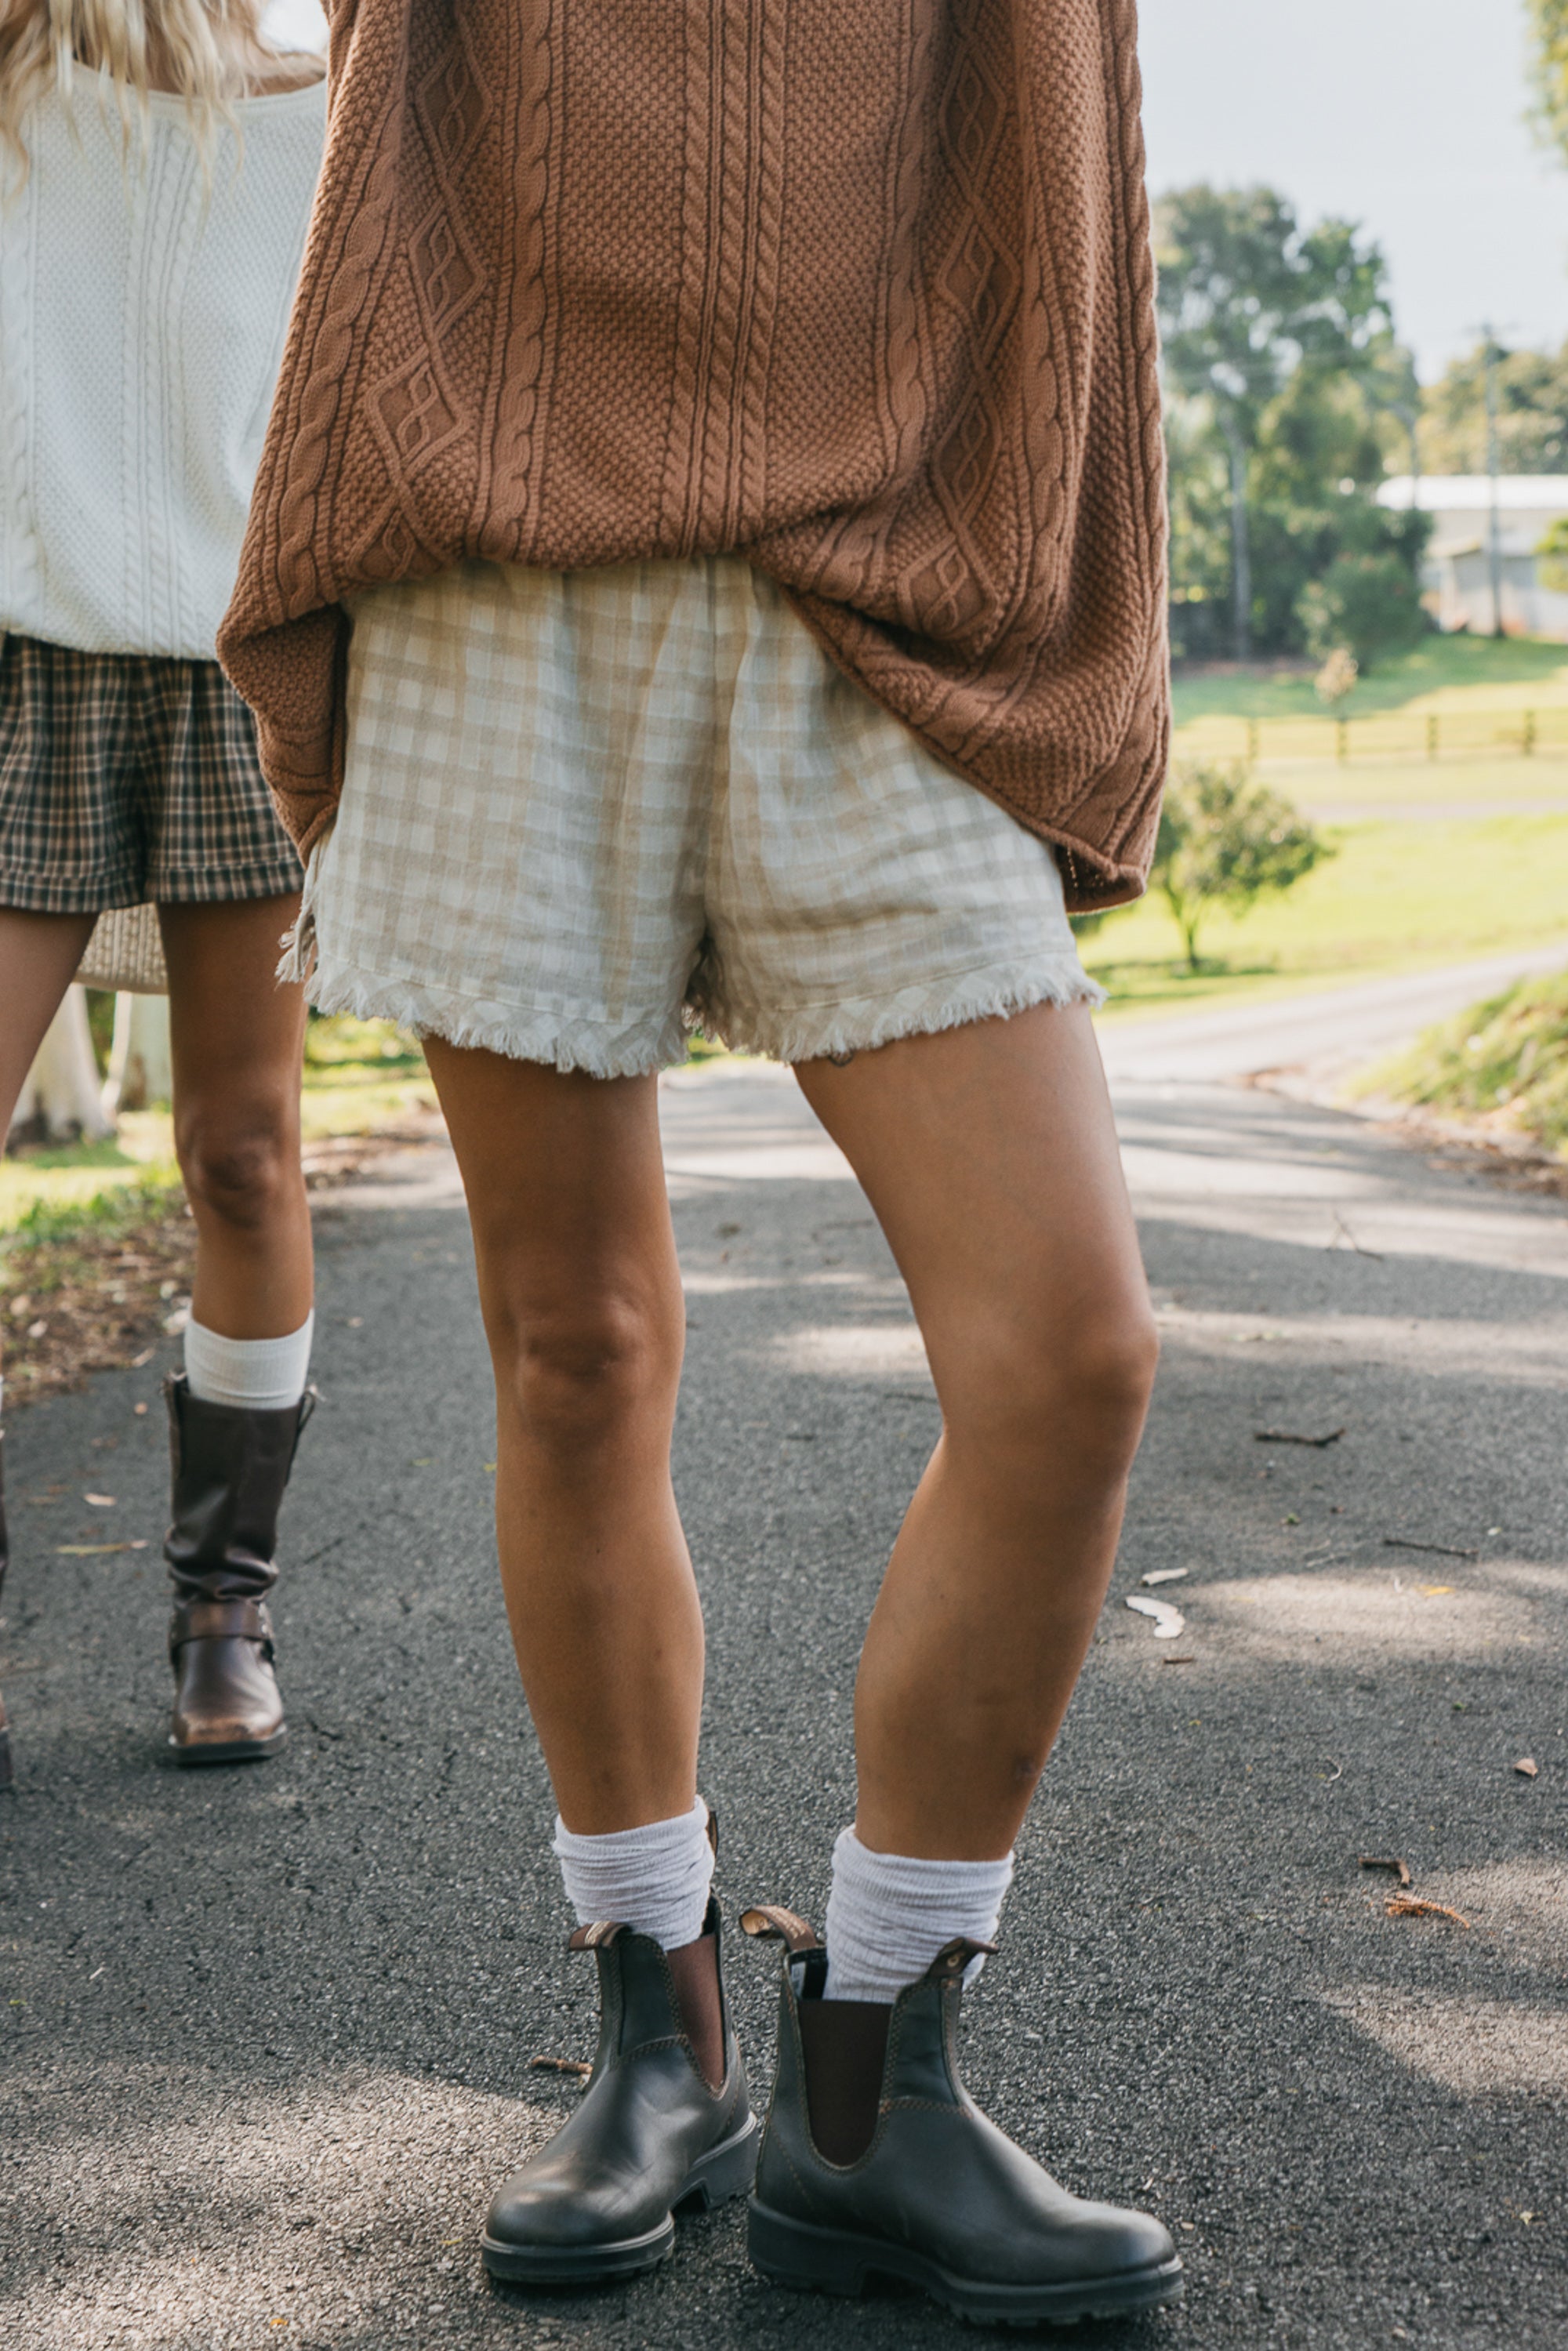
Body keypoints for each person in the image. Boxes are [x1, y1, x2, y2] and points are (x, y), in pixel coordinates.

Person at [223, 0, 1184, 2321]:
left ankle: (877, 2084)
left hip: (888, 561)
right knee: (575, 1343)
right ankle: (654, 2021)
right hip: (499, 501)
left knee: (1071, 1354)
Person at [0, 0, 326, 1772]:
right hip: (20, 664)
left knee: (242, 1148)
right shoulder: (17, 75)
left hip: (231, 670)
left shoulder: (337, 107)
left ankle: (224, 1608)